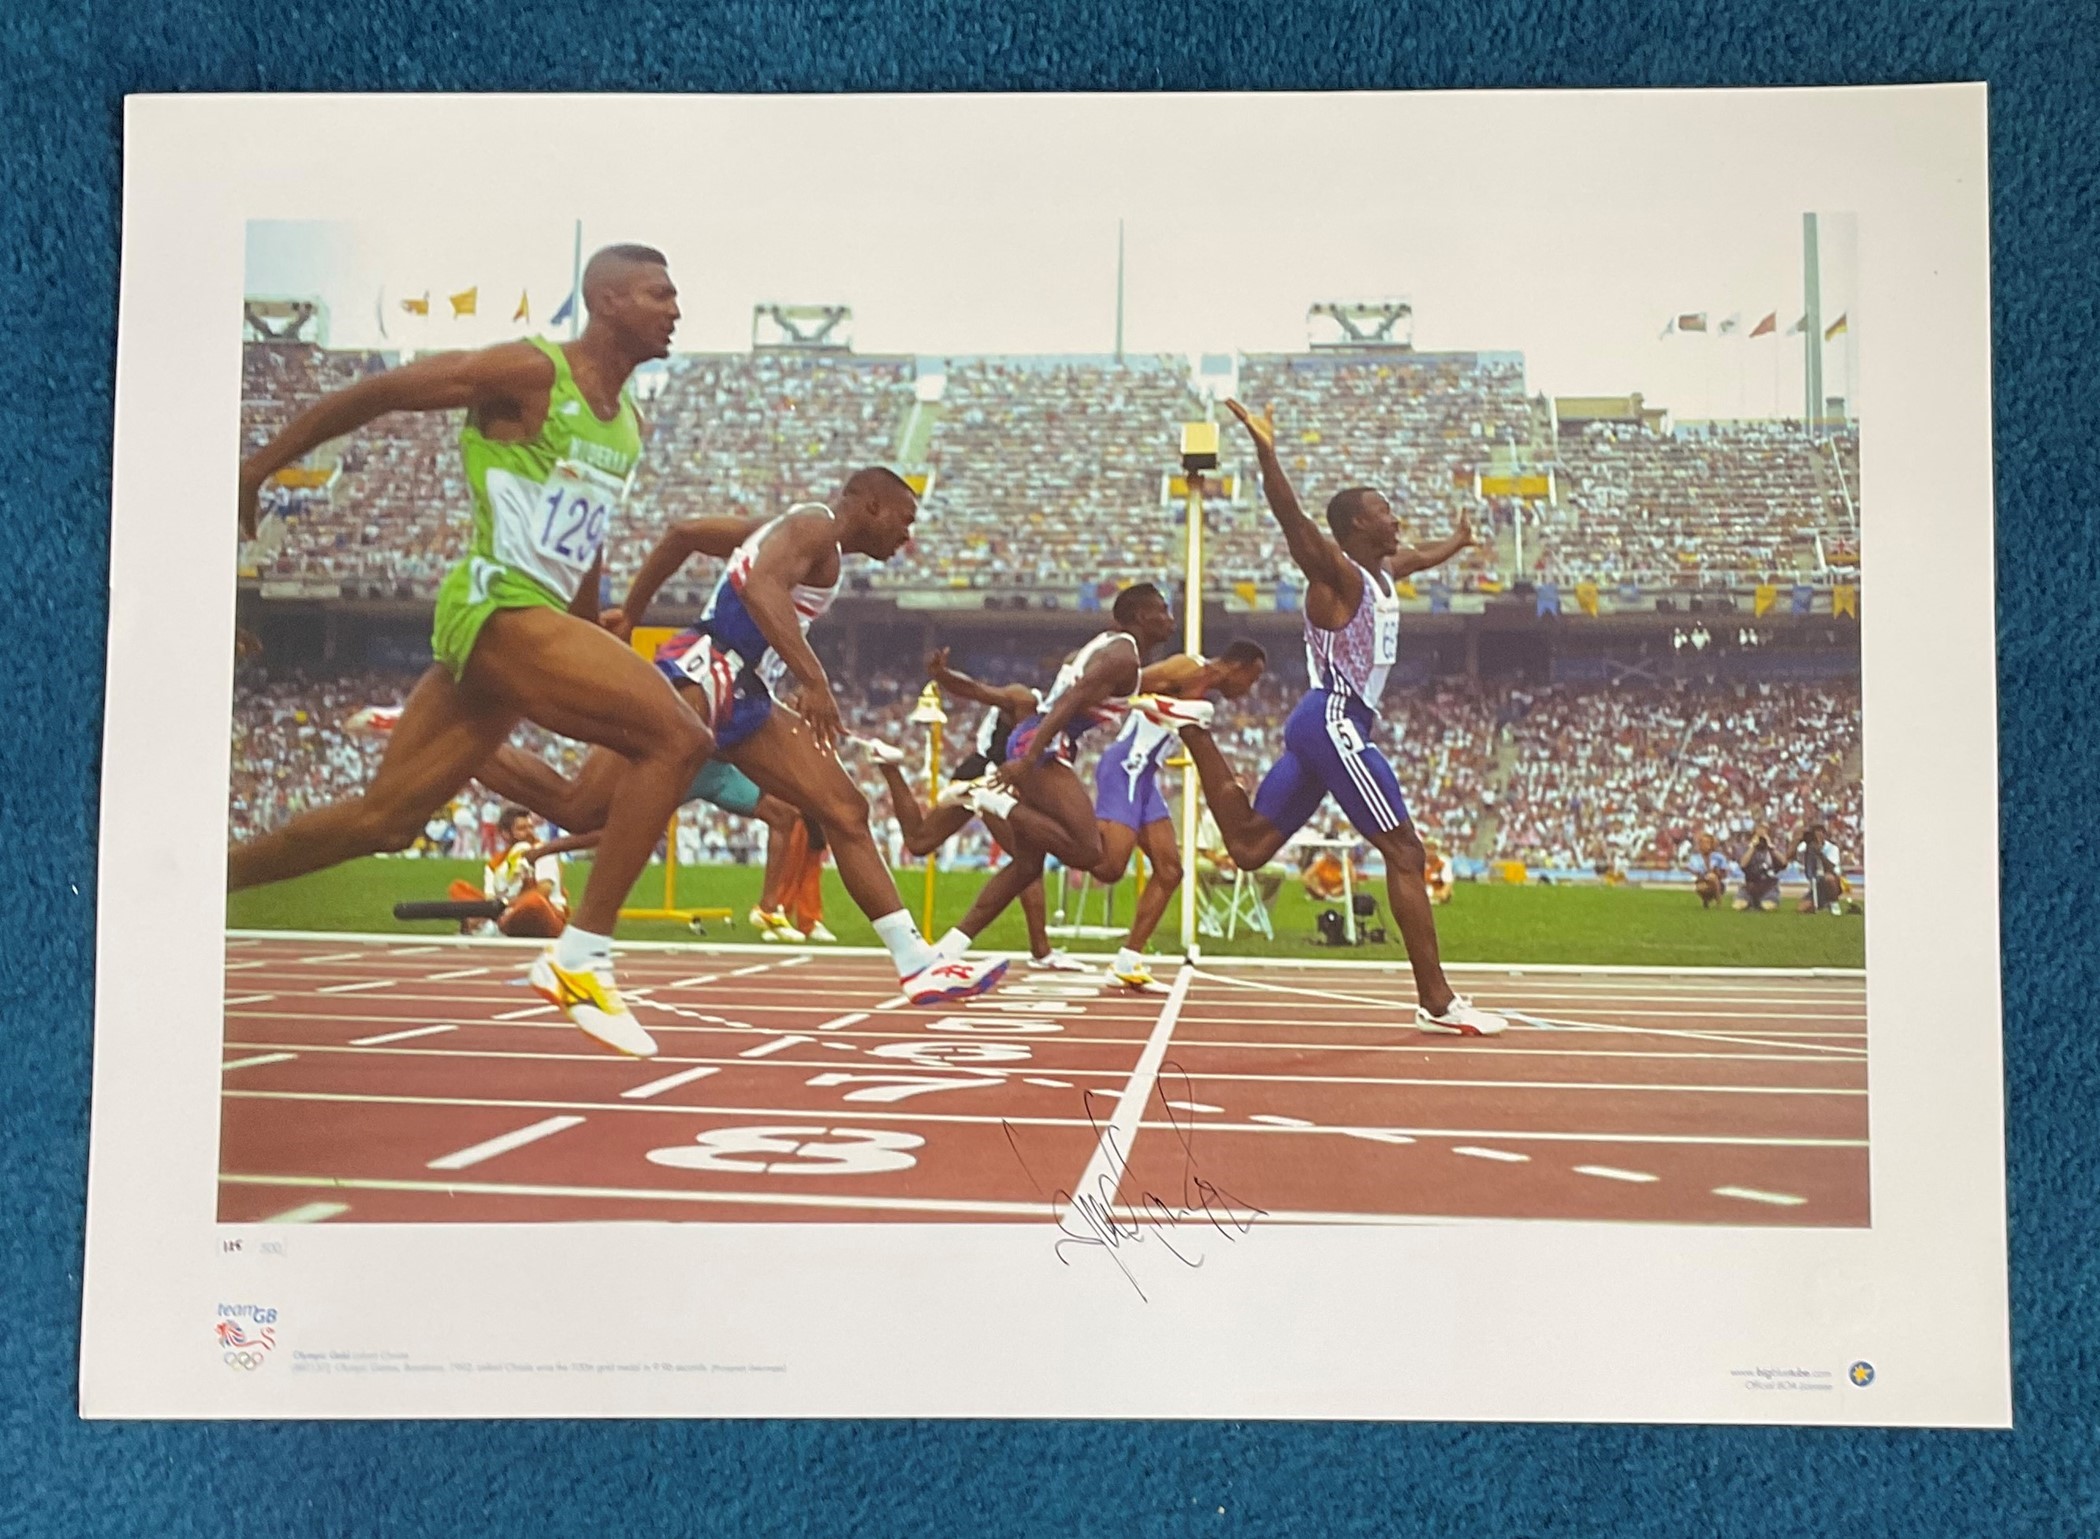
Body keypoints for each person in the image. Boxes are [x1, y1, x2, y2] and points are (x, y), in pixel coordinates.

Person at [227, 244, 705, 1058]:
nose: (676, 309)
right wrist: (259, 467)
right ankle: (580, 959)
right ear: (609, 300)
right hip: (494, 605)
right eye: (660, 294)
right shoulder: (530, 372)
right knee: (680, 736)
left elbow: (579, 536)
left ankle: (207, 881)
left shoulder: (628, 423)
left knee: (387, 818)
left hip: (537, 620)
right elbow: (378, 393)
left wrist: (592, 623)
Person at [582, 471, 1008, 1007]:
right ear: (873, 506)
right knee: (579, 808)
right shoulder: (815, 529)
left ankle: (917, 963)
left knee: (847, 809)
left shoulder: (787, 529)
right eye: (905, 521)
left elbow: (683, 533)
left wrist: (634, 614)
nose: (907, 538)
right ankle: (480, 737)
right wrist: (814, 680)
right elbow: (759, 585)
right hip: (709, 672)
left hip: (744, 689)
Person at [1154, 401, 1507, 1036]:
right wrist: (1267, 452)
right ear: (1353, 528)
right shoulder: (1336, 576)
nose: (1395, 519)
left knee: (1251, 846)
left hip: (1323, 723)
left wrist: (1456, 542)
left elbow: (1418, 558)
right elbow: (1293, 524)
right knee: (1404, 850)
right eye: (1383, 513)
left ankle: (1192, 726)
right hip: (1334, 717)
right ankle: (1437, 1001)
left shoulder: (1382, 572)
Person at [925, 585, 1180, 967]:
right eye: (1163, 610)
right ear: (1142, 617)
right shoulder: (1122, 658)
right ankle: (991, 800)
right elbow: (1069, 703)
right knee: (1092, 853)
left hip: (1042, 741)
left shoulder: (1107, 646)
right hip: (1042, 745)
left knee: (1028, 866)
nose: (1170, 618)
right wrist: (1030, 757)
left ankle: (950, 946)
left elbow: (1047, 698)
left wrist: (945, 677)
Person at [856, 651, 1085, 973]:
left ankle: (890, 767)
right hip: (986, 776)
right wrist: (943, 675)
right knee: (1027, 861)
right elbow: (978, 691)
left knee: (920, 842)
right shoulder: (1025, 700)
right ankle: (1034, 951)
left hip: (1001, 781)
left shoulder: (1072, 718)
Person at [1088, 642, 1268, 989]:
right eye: (1253, 678)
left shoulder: (1204, 693)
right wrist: (1152, 702)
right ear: (1238, 666)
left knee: (1170, 871)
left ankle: (1127, 960)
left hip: (1145, 778)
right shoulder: (1189, 668)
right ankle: (1043, 825)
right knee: (1111, 867)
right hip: (1125, 767)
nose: (1250, 688)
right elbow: (1127, 685)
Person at [448, 805, 568, 937]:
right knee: (458, 888)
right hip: (507, 913)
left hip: (544, 913)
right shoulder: (496, 863)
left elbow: (544, 891)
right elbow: (490, 898)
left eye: (531, 827)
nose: (529, 832)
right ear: (506, 834)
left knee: (534, 901)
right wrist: (495, 907)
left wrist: (507, 905)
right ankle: (495, 924)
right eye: (522, 829)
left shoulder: (542, 851)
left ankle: (492, 925)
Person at [1735, 826, 1782, 911]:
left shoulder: (1773, 850)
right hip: (1749, 886)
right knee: (1739, 905)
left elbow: (1784, 862)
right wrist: (1753, 846)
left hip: (1769, 887)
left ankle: (1762, 902)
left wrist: (1770, 846)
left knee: (1767, 906)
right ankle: (1750, 902)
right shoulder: (1747, 849)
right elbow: (1743, 864)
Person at [1685, 831, 1731, 909]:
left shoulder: (1719, 857)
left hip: (1719, 884)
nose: (1704, 845)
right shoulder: (1695, 858)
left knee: (1712, 876)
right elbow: (1694, 870)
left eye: (1707, 842)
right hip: (1703, 881)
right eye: (1702, 842)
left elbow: (1725, 872)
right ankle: (1705, 900)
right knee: (1701, 886)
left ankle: (1718, 901)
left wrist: (1718, 873)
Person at [1422, 838, 1455, 906]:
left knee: (1446, 893)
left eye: (1433, 849)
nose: (1430, 851)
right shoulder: (1418, 860)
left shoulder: (1444, 861)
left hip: (1436, 889)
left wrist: (1444, 892)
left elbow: (1448, 881)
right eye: (1427, 848)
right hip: (1422, 888)